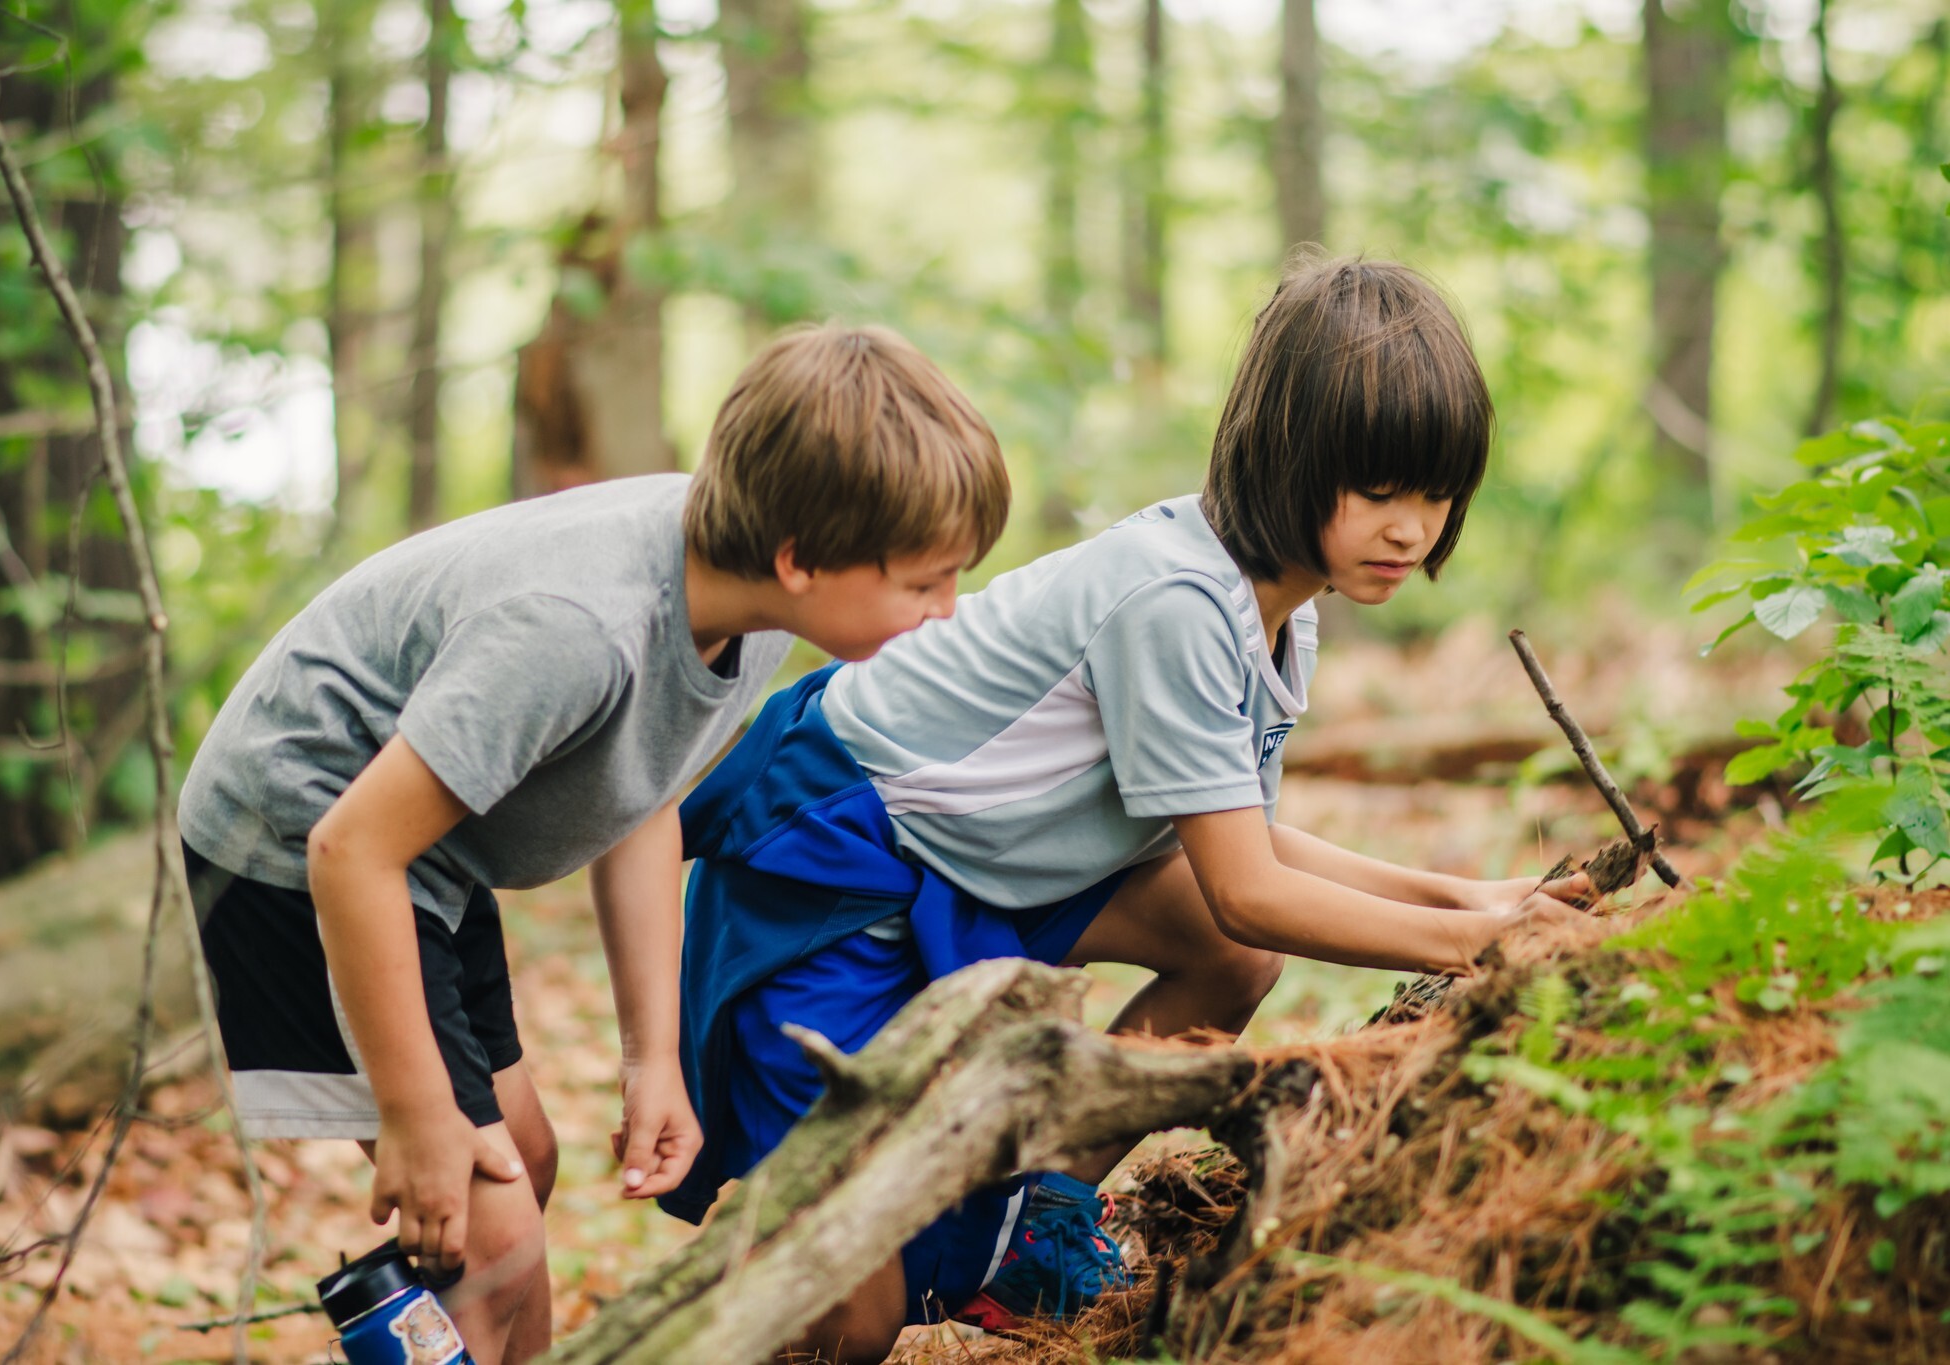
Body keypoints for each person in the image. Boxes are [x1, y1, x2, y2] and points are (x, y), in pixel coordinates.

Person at [663, 256, 1593, 1364]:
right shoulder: (1176, 599)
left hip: (974, 856)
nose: (1410, 529)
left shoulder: (1278, 609)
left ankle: (1038, 1226)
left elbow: (1231, 834)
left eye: (1434, 496)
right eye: (1377, 491)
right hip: (838, 856)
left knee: (1224, 961)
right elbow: (1249, 891)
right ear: (1286, 456)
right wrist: (1474, 941)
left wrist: (1470, 893)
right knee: (855, 1305)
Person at [175, 324, 1011, 1364]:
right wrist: (415, 1116)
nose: (945, 611)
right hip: (292, 843)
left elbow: (641, 791)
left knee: (519, 1158)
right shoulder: (575, 627)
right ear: (801, 558)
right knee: (489, 1219)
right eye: (925, 584)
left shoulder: (740, 600)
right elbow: (352, 850)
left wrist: (648, 1057)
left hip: (416, 849)